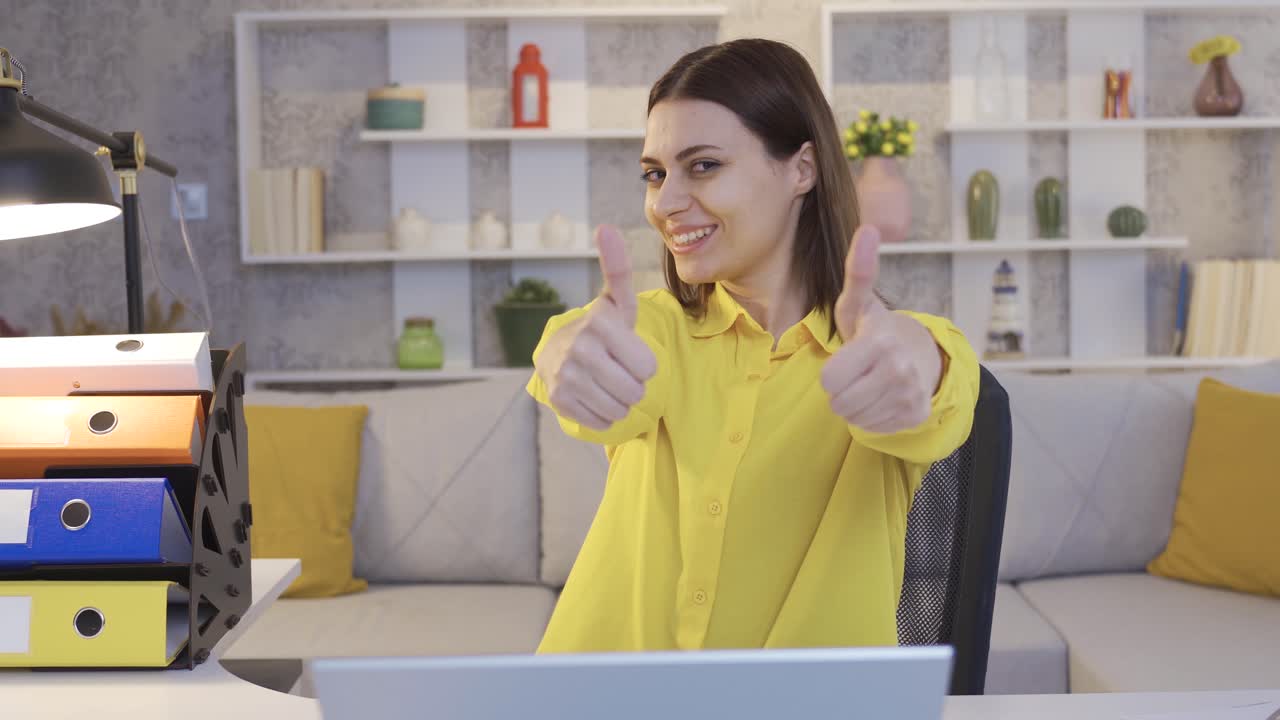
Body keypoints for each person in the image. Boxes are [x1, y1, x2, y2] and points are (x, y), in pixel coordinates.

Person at [526, 38, 980, 653]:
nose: (665, 203)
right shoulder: (655, 330)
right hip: (608, 700)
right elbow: (581, 350)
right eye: (655, 174)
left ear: (802, 169)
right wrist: (565, 357)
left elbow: (930, 376)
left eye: (704, 165)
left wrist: (915, 365)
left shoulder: (887, 355)